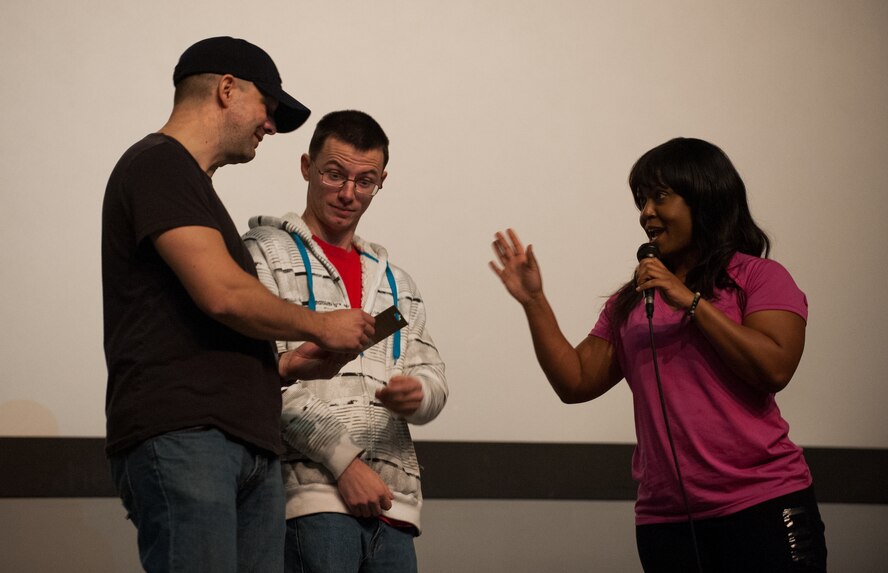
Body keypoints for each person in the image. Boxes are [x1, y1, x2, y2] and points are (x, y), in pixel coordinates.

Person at [101, 37, 375, 573]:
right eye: (266, 107)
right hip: (188, 436)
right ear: (227, 89)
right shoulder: (158, 164)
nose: (269, 125)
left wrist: (282, 367)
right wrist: (321, 326)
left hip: (242, 444)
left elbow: (196, 324)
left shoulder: (190, 185)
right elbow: (223, 293)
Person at [490, 137, 827, 572]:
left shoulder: (759, 277)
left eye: (660, 197)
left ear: (704, 198)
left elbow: (775, 367)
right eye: (641, 200)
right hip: (665, 520)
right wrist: (534, 301)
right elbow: (576, 381)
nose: (646, 212)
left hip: (762, 502)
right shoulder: (633, 300)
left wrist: (689, 300)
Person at [243, 109, 448, 573]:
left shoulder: (396, 283)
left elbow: (432, 376)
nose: (348, 193)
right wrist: (345, 463)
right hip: (311, 503)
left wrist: (418, 395)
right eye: (334, 174)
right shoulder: (262, 254)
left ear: (381, 182)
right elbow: (260, 375)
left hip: (393, 508)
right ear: (306, 166)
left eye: (365, 181)